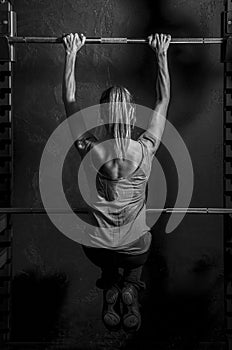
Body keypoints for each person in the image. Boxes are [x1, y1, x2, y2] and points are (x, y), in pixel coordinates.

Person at [62, 33, 171, 333]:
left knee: (106, 250)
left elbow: (69, 101)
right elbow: (163, 100)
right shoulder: (147, 148)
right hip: (136, 247)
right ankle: (130, 289)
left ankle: (111, 286)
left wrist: (72, 52)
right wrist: (161, 53)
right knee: (136, 251)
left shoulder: (92, 151)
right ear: (133, 113)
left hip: (97, 248)